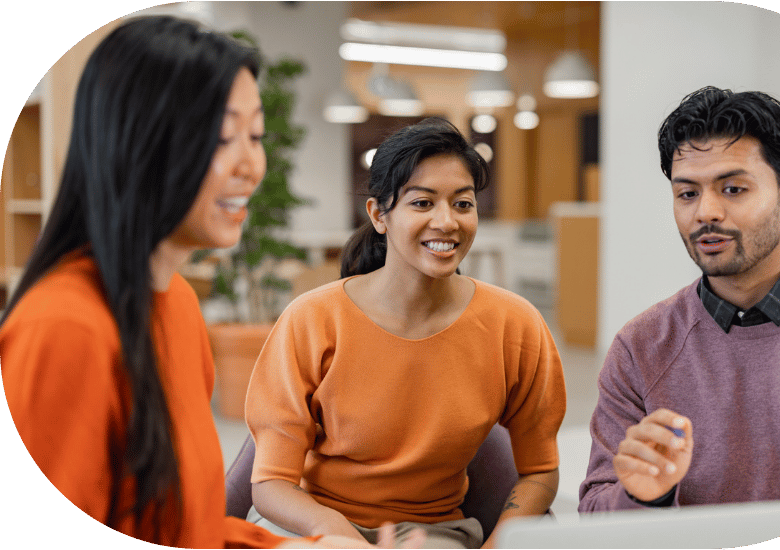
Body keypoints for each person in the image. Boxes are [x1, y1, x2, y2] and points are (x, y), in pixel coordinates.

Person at [0, 15, 424, 550]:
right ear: (141, 145)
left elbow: (182, 526)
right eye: (223, 137)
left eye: (255, 136)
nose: (252, 165)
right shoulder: (63, 329)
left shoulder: (174, 303)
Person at [578, 86, 780, 512]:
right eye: (687, 193)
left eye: (733, 189)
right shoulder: (640, 349)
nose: (706, 212)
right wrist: (645, 494)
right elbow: (596, 512)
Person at [244, 117, 567, 549]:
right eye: (422, 203)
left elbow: (540, 471)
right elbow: (271, 485)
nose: (446, 222)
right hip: (315, 524)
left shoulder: (515, 323)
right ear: (379, 215)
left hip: (431, 534)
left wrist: (497, 546)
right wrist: (343, 539)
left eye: (463, 204)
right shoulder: (313, 319)